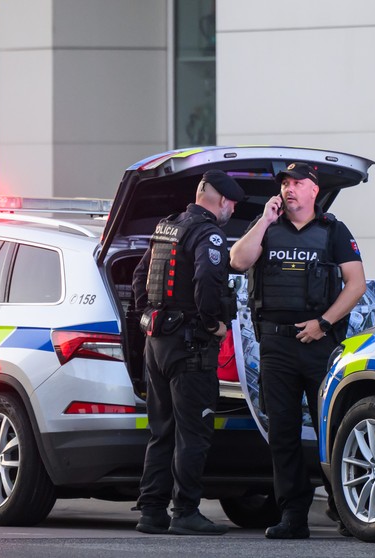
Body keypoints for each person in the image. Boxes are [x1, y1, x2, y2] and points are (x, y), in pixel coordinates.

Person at [229, 162, 366, 539]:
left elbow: (356, 285)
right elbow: (238, 261)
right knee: (283, 433)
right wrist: (263, 220)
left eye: (297, 183)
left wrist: (323, 323)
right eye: (285, 184)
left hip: (320, 345)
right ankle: (293, 515)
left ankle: (345, 508)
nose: (289, 189)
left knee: (332, 428)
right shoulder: (266, 228)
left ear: (314, 191)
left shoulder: (334, 231)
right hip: (276, 345)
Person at [131, 169, 244, 536]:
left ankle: (151, 512)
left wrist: (148, 319)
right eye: (232, 203)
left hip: (157, 344)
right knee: (193, 433)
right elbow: (208, 283)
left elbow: (138, 278)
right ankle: (186, 511)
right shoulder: (208, 233)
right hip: (190, 346)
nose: (232, 210)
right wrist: (213, 324)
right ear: (221, 200)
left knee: (161, 431)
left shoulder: (167, 227)